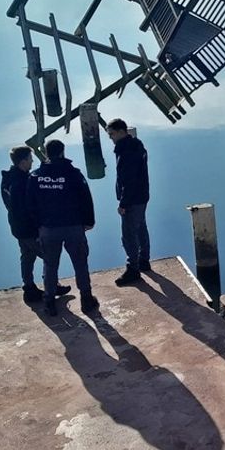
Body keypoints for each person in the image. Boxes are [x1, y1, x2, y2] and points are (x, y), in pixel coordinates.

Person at [29, 139, 98, 316]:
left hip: (48, 228)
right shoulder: (73, 174)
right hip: (73, 226)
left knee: (50, 265)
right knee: (80, 263)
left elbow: (30, 205)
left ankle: (49, 302)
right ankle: (86, 299)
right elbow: (85, 198)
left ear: (45, 153)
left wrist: (37, 226)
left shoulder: (36, 176)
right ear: (62, 152)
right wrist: (89, 221)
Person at [0, 146, 69, 304]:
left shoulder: (8, 179)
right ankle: (52, 286)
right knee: (49, 256)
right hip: (29, 230)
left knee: (27, 257)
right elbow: (30, 208)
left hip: (17, 228)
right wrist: (39, 228)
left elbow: (10, 205)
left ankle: (29, 288)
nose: (32, 161)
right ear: (23, 162)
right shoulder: (23, 182)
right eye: (30, 159)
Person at [105, 119, 151, 286]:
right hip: (142, 196)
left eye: (112, 134)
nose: (110, 138)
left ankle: (133, 269)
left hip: (132, 199)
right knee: (141, 228)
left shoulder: (126, 151)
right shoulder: (137, 145)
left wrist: (123, 204)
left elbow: (128, 180)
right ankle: (144, 260)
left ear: (122, 132)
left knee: (128, 235)